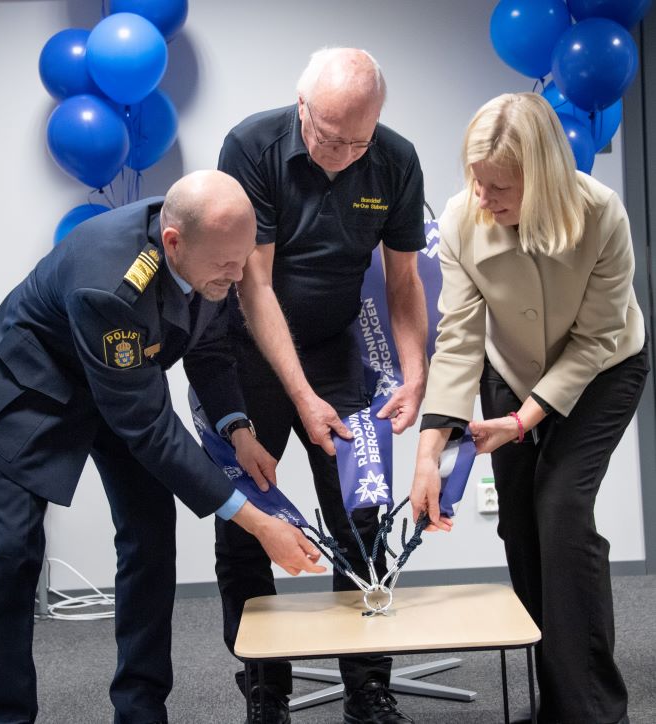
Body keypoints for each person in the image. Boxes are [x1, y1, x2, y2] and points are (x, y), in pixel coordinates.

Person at [0, 170, 325, 724]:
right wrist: (256, 521)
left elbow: (208, 348)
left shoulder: (215, 249)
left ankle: (140, 710)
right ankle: (8, 715)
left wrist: (239, 429)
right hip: (34, 386)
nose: (238, 279)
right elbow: (149, 430)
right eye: (226, 267)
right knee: (13, 553)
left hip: (124, 379)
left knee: (150, 537)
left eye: (242, 262)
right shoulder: (111, 286)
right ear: (172, 243)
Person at [410, 93, 648, 724]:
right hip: (509, 369)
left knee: (561, 508)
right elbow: (458, 339)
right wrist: (429, 452)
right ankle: (556, 706)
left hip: (604, 367)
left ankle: (593, 711)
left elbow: (598, 338)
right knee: (519, 524)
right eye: (476, 180)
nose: (483, 197)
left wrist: (524, 421)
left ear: (542, 177)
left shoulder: (601, 214)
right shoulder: (465, 218)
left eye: (500, 186)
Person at [216, 48, 428, 724]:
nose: (339, 153)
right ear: (302, 107)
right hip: (253, 349)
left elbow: (401, 282)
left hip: (337, 353)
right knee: (250, 519)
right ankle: (265, 689)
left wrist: (415, 372)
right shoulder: (254, 146)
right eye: (327, 136)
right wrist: (300, 396)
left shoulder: (395, 161)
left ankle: (368, 685)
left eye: (356, 141)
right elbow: (254, 283)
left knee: (361, 512)